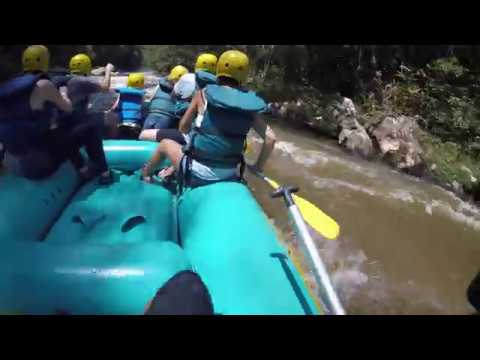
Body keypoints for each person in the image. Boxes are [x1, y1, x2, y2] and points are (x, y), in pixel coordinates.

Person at [141, 50, 276, 188]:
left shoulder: (203, 94)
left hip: (198, 173)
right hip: (230, 173)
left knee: (165, 144)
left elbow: (183, 128)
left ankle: (145, 174)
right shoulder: (249, 107)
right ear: (244, 74)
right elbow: (270, 138)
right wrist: (257, 166)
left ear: (219, 69)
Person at [0, 46, 111, 183]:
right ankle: (103, 173)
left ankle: (83, 169)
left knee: (62, 132)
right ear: (46, 62)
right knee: (87, 129)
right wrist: (63, 93)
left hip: (13, 164)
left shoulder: (6, 88)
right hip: (39, 165)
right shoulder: (43, 85)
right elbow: (68, 108)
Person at [139, 73, 196, 141]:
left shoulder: (159, 86)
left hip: (152, 115)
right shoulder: (189, 93)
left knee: (143, 135)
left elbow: (151, 99)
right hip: (168, 121)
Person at [142, 65, 189, 130]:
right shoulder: (181, 91)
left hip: (151, 116)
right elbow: (181, 109)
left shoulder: (159, 86)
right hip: (166, 120)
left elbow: (151, 100)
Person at [113, 72, 146, 138]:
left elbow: (115, 106)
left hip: (121, 123)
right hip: (135, 124)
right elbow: (142, 107)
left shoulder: (122, 92)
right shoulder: (141, 94)